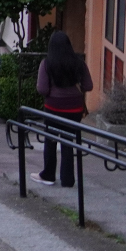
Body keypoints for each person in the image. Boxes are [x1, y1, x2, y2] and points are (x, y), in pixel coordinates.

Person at [34, 31, 94, 188]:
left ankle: (48, 175)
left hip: (53, 107)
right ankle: (67, 180)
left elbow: (42, 89)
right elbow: (88, 86)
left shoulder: (47, 63)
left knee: (50, 140)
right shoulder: (79, 63)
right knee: (68, 141)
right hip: (74, 108)